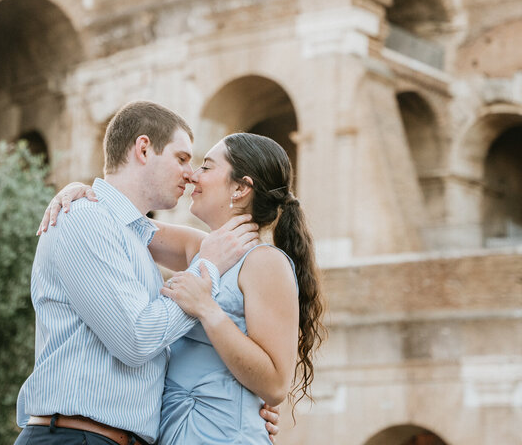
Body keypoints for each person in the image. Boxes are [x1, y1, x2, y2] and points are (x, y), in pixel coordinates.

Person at [14, 101, 276, 445]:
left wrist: (238, 405)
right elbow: (136, 340)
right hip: (77, 437)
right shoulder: (85, 218)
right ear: (143, 148)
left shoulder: (132, 235)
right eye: (182, 158)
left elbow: (156, 353)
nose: (191, 174)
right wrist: (207, 268)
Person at [42, 132, 325, 444]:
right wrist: (80, 192)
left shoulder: (265, 263)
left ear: (241, 188)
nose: (193, 176)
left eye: (206, 166)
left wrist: (208, 311)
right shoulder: (200, 249)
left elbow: (274, 385)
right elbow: (120, 221)